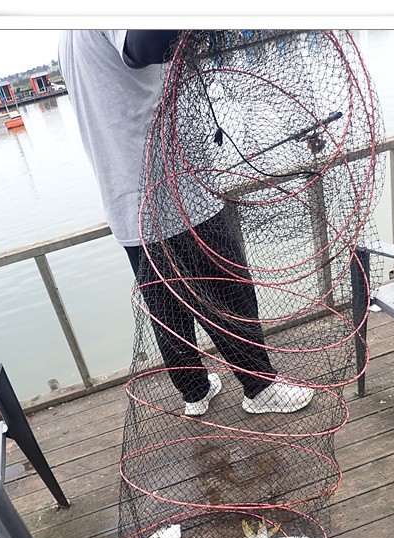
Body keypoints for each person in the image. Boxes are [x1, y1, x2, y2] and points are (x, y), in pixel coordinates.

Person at [58, 29, 315, 416]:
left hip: (129, 205)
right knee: (229, 292)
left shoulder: (70, 31)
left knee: (169, 308)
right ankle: (260, 388)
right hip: (174, 195)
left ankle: (194, 392)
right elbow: (145, 43)